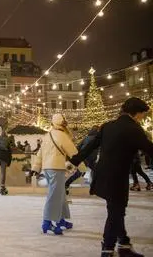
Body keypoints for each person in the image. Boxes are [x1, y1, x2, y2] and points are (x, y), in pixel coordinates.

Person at [70, 97, 153, 257]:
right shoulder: (134, 129)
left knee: (115, 211)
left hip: (102, 174)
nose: (142, 118)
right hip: (117, 177)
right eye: (143, 115)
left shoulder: (108, 126)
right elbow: (150, 149)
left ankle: (124, 245)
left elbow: (90, 145)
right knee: (116, 213)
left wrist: (74, 160)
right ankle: (107, 249)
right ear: (137, 113)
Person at [32, 114, 77, 235]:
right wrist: (82, 166)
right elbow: (74, 153)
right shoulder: (62, 136)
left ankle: (61, 220)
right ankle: (46, 223)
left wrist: (36, 167)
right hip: (57, 168)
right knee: (54, 196)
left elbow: (40, 153)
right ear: (62, 123)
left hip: (47, 168)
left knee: (60, 195)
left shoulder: (47, 136)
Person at [65, 126, 100, 195]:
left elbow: (78, 147)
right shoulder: (97, 138)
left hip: (84, 158)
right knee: (96, 171)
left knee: (79, 173)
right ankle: (94, 187)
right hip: (90, 159)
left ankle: (66, 184)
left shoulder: (86, 138)